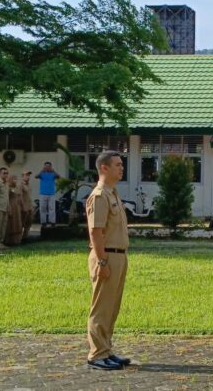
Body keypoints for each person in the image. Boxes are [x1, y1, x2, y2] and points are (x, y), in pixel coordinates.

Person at [86, 151, 131, 371]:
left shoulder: (113, 194)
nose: (121, 168)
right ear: (104, 168)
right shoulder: (100, 195)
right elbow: (96, 232)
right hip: (107, 256)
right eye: (117, 165)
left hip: (119, 255)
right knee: (101, 307)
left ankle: (106, 350)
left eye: (121, 165)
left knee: (112, 307)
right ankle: (96, 355)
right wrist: (102, 263)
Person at [35, 162, 60, 227]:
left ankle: (52, 222)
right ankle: (43, 222)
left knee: (52, 208)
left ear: (51, 167)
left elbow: (58, 176)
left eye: (49, 166)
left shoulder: (53, 174)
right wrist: (42, 170)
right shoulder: (42, 174)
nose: (47, 167)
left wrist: (53, 170)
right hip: (43, 194)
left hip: (51, 194)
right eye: (46, 166)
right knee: (43, 208)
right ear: (44, 167)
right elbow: (36, 176)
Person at [5, 174, 23, 246]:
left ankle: (17, 240)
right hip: (11, 206)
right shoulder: (7, 187)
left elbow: (19, 194)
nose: (15, 180)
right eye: (14, 179)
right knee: (11, 223)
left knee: (17, 222)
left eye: (16, 178)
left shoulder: (17, 187)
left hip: (17, 207)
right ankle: (9, 241)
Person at [18, 170, 33, 241]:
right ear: (22, 176)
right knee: (22, 223)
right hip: (24, 207)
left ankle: (25, 237)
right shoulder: (20, 184)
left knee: (29, 223)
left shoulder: (28, 184)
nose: (28, 177)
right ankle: (19, 238)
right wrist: (23, 206)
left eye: (29, 175)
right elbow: (20, 196)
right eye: (26, 175)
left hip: (29, 206)